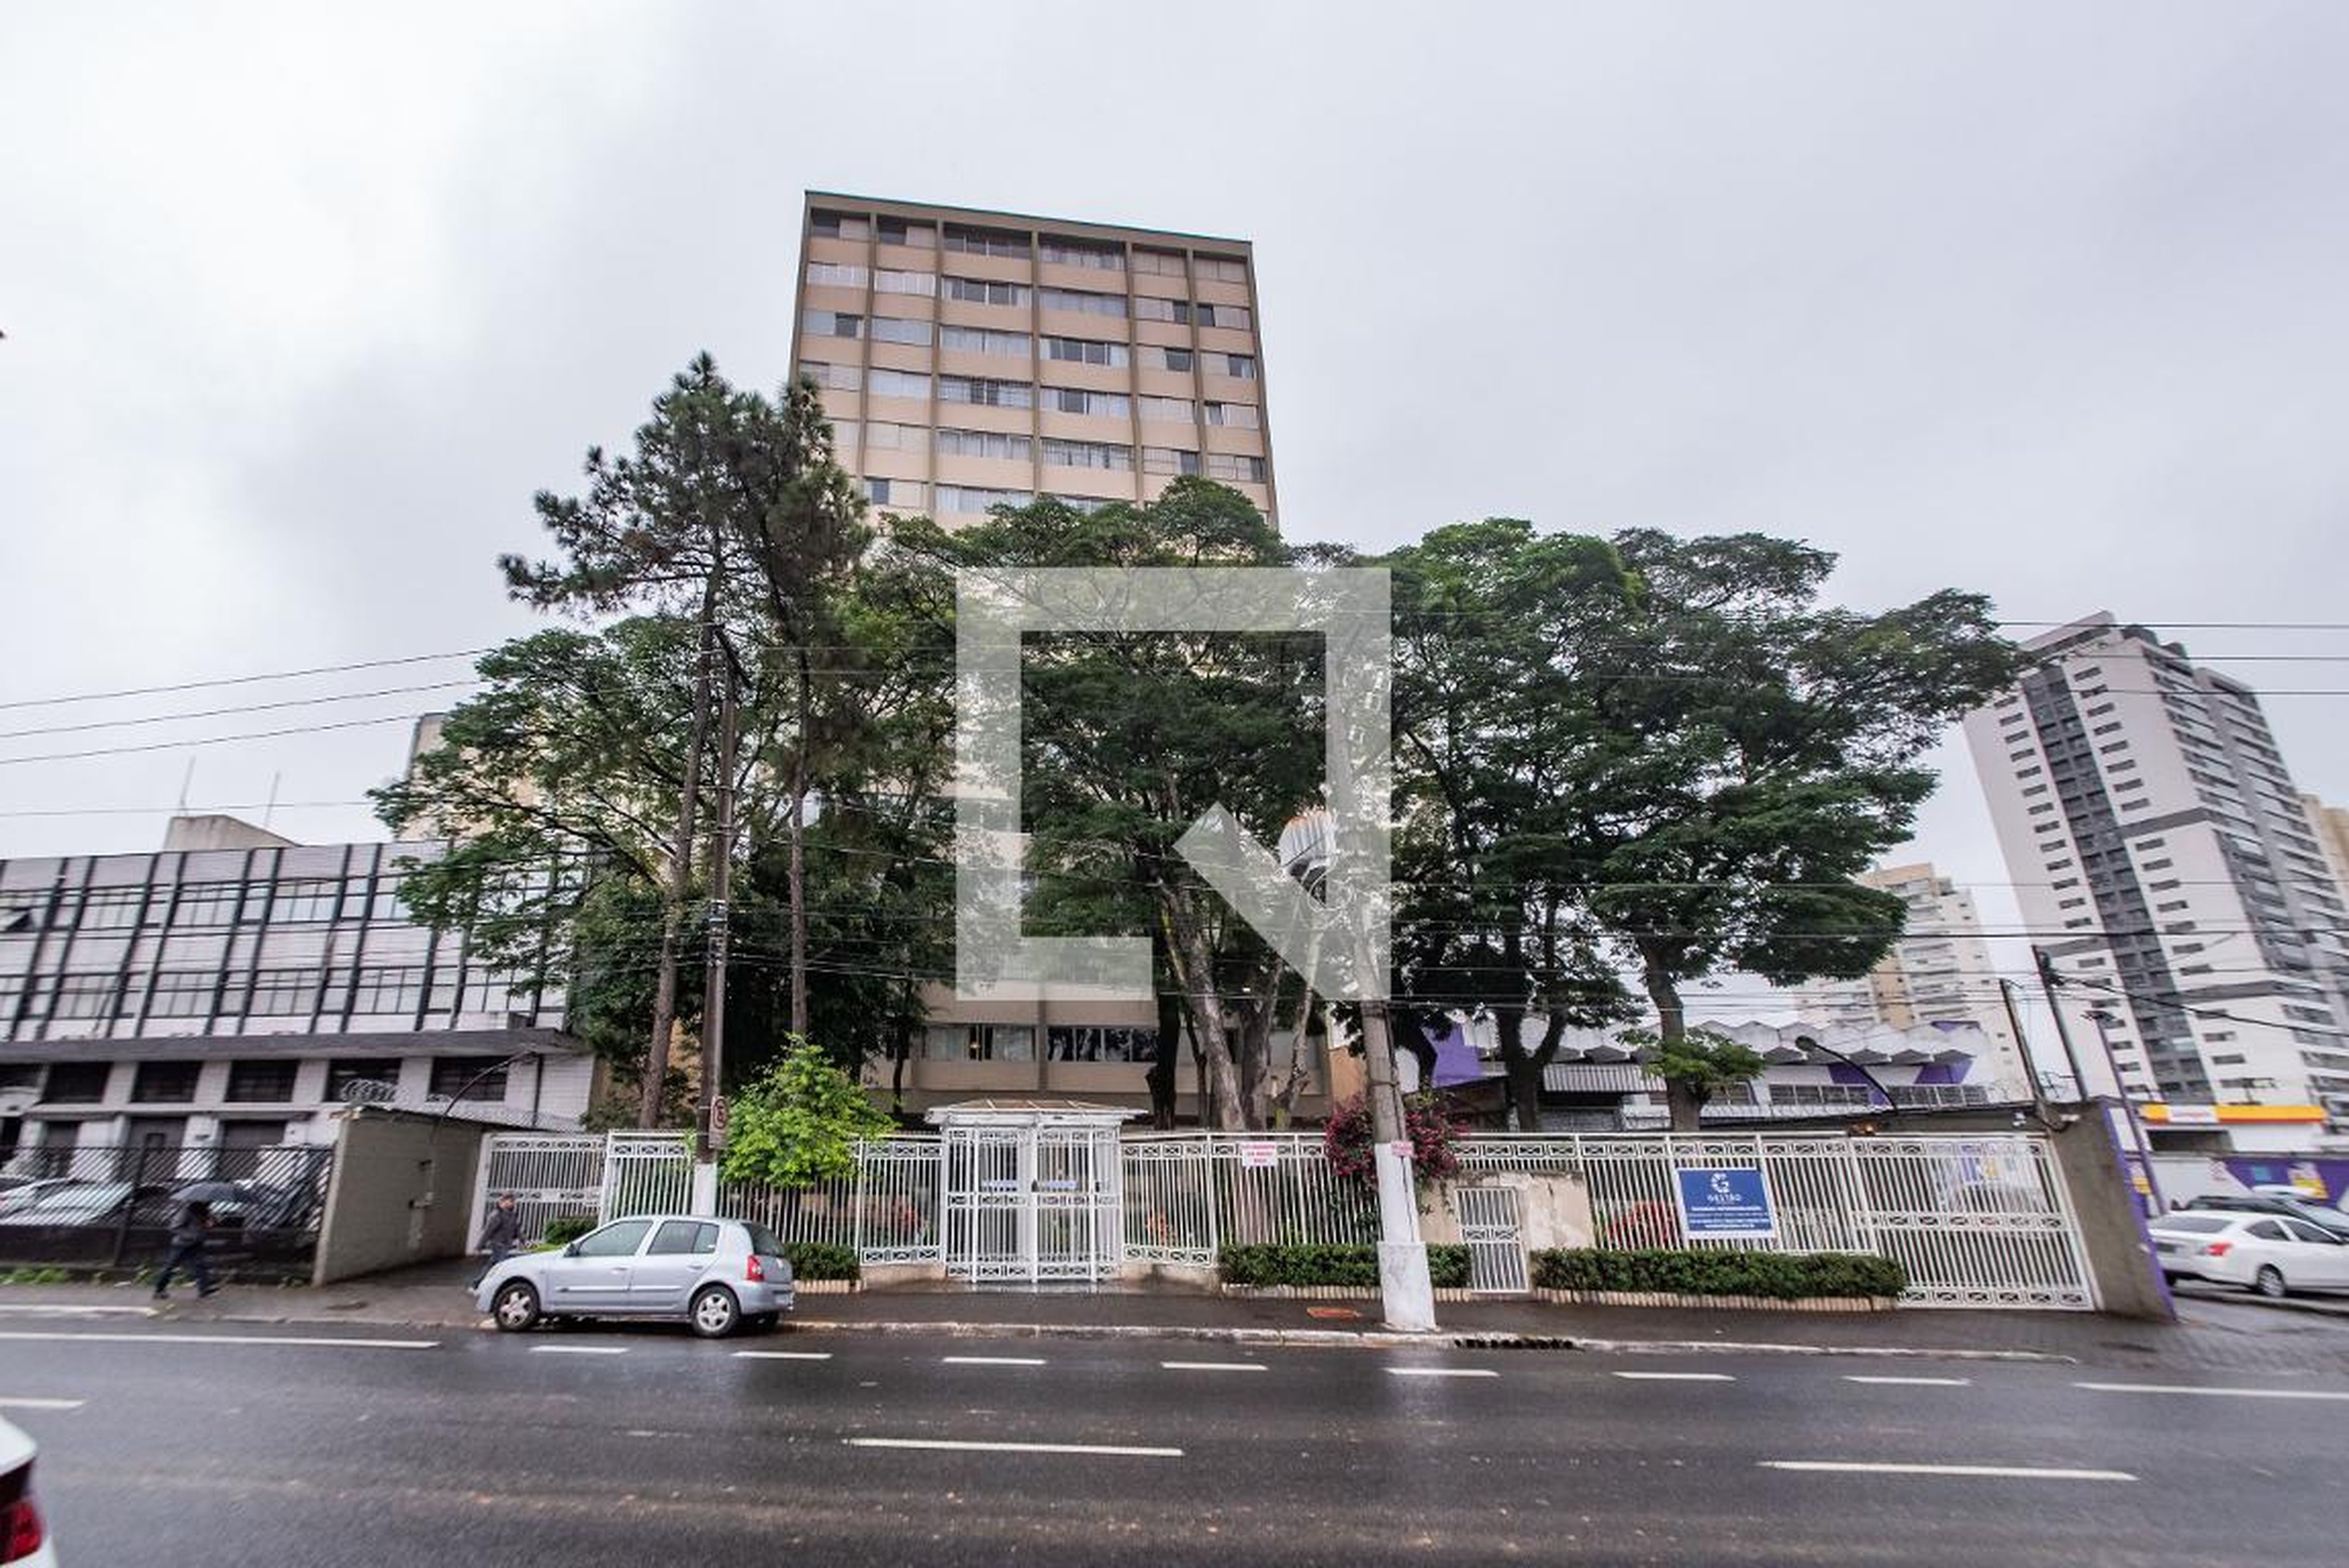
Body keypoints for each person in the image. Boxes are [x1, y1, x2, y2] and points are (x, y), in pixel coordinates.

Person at [152, 1199, 217, 1301]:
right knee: (171, 1267)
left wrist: (211, 1220)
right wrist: (190, 1236)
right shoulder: (186, 1211)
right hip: (182, 1244)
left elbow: (208, 1226)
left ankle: (204, 1291)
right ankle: (159, 1290)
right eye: (207, 1203)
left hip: (197, 1244)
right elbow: (174, 1227)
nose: (210, 1204)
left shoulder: (205, 1212)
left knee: (201, 1266)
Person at [473, 1192, 522, 1287]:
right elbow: (487, 1232)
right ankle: (499, 1287)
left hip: (505, 1244)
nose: (513, 1203)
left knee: (491, 1265)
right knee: (502, 1266)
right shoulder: (497, 1215)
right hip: (498, 1244)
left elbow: (517, 1230)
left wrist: (525, 1241)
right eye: (511, 1201)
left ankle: (477, 1283)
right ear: (503, 1202)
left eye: (513, 1201)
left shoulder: (512, 1215)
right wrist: (479, 1247)